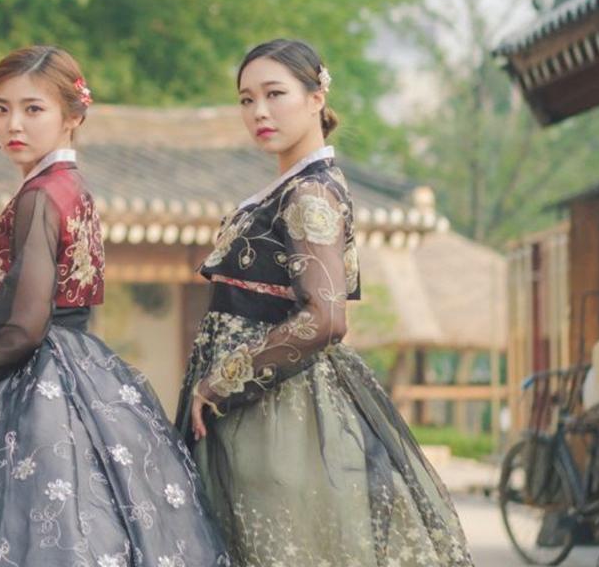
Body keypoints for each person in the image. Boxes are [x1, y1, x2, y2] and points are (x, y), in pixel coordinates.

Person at [0, 45, 228, 567]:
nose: (13, 124)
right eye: (1, 108)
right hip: (79, 371)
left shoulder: (40, 196)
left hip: (33, 380)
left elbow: (23, 326)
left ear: (72, 115)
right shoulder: (70, 187)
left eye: (33, 109)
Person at [178, 38, 474, 566]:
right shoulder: (287, 187)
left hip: (276, 412)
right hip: (261, 405)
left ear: (317, 97)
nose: (259, 111)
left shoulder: (310, 193)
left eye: (275, 93)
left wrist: (221, 381)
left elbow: (324, 319)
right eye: (246, 99)